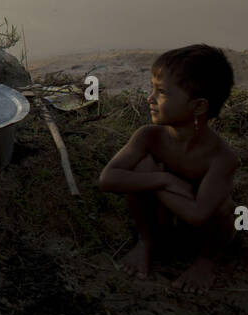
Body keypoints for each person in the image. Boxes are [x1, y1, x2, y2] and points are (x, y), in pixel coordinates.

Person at [98, 44, 239, 293]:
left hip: (202, 231)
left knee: (226, 209)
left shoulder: (221, 157)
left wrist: (156, 182)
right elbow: (107, 179)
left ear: (198, 107)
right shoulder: (148, 137)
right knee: (142, 168)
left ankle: (206, 261)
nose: (149, 98)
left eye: (161, 92)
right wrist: (163, 179)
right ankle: (147, 241)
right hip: (164, 219)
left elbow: (198, 214)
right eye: (152, 89)